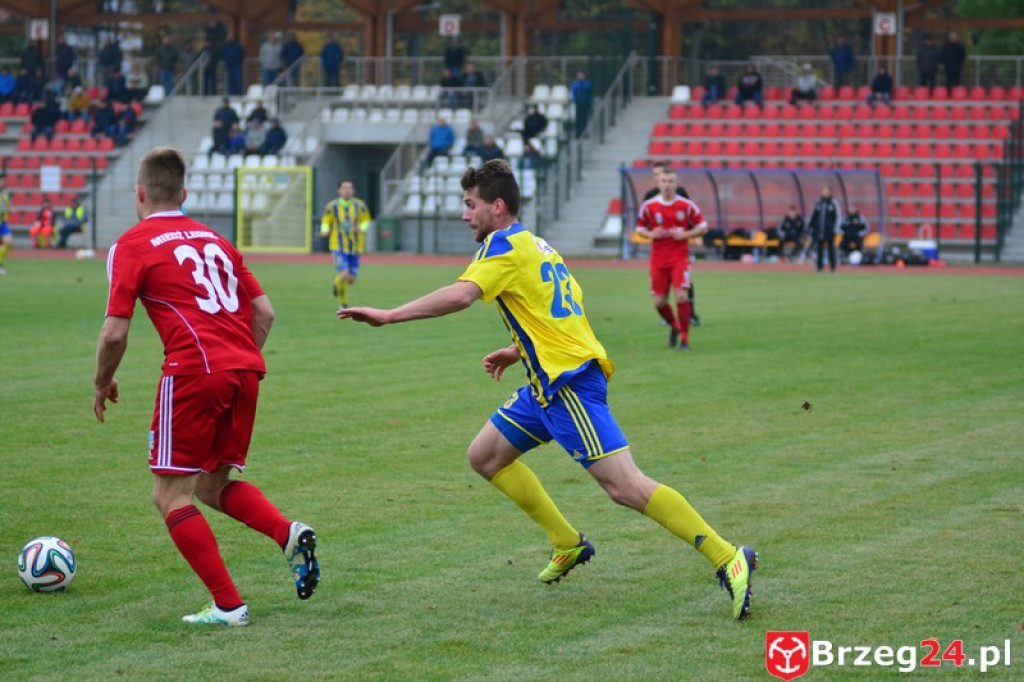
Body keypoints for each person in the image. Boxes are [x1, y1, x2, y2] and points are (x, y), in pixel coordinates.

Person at [337, 159, 757, 621]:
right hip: (546, 382)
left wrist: (389, 315)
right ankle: (566, 541)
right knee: (486, 456)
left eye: (470, 204)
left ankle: (726, 556)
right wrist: (517, 350)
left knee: (625, 486)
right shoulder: (535, 244)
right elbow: (560, 305)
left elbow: (460, 296)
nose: (464, 215)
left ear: (496, 206)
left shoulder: (501, 245)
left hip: (567, 385)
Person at [93, 146, 320, 627]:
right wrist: (237, 358)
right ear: (186, 193)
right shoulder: (216, 239)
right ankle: (287, 533)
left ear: (139, 194)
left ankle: (228, 605)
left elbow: (115, 330)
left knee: (170, 496)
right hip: (245, 370)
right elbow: (265, 313)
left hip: (195, 371)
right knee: (212, 485)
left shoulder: (131, 245)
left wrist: (102, 381)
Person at [635, 168, 708, 350]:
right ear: (658, 184)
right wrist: (652, 233)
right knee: (659, 302)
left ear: (676, 184)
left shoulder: (686, 205)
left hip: (679, 257)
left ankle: (685, 338)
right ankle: (674, 326)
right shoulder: (649, 206)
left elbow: (703, 226)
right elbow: (639, 229)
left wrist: (685, 234)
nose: (667, 185)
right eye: (664, 181)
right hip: (658, 258)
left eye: (670, 181)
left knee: (682, 296)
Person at [320, 179, 371, 310]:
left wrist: (362, 227)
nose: (347, 191)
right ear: (339, 190)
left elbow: (366, 220)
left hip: (356, 246)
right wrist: (324, 230)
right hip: (338, 245)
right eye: (344, 188)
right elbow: (326, 221)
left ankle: (336, 283)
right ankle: (343, 304)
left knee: (350, 279)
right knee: (344, 274)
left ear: (353, 190)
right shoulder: (332, 206)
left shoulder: (360, 206)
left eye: (350, 188)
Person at [807, 186, 841, 273]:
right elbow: (813, 216)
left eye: (826, 191)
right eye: (823, 191)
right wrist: (810, 227)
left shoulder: (833, 203)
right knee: (819, 249)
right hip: (819, 231)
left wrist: (835, 229)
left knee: (831, 249)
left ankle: (833, 267)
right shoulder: (818, 203)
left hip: (829, 231)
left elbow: (838, 217)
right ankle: (819, 268)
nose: (824, 193)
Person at [221, 32, 245, 96]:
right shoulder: (225, 46)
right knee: (230, 80)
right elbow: (223, 54)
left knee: (237, 79)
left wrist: (239, 60)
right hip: (229, 65)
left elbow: (242, 53)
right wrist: (226, 61)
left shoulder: (237, 45)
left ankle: (239, 93)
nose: (230, 38)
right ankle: (231, 93)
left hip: (236, 65)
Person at [570, 71, 592, 138]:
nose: (580, 77)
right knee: (578, 119)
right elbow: (573, 92)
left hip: (585, 103)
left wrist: (588, 102)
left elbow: (589, 93)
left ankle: (585, 133)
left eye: (581, 75)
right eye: (579, 75)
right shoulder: (575, 84)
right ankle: (578, 133)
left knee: (584, 119)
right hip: (578, 103)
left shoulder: (587, 84)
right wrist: (575, 100)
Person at [0, 176, 11, 274]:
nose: (2, 183)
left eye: (3, 181)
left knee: (8, 242)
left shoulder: (5, 194)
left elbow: (7, 207)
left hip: (2, 223)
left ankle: (0, 264)